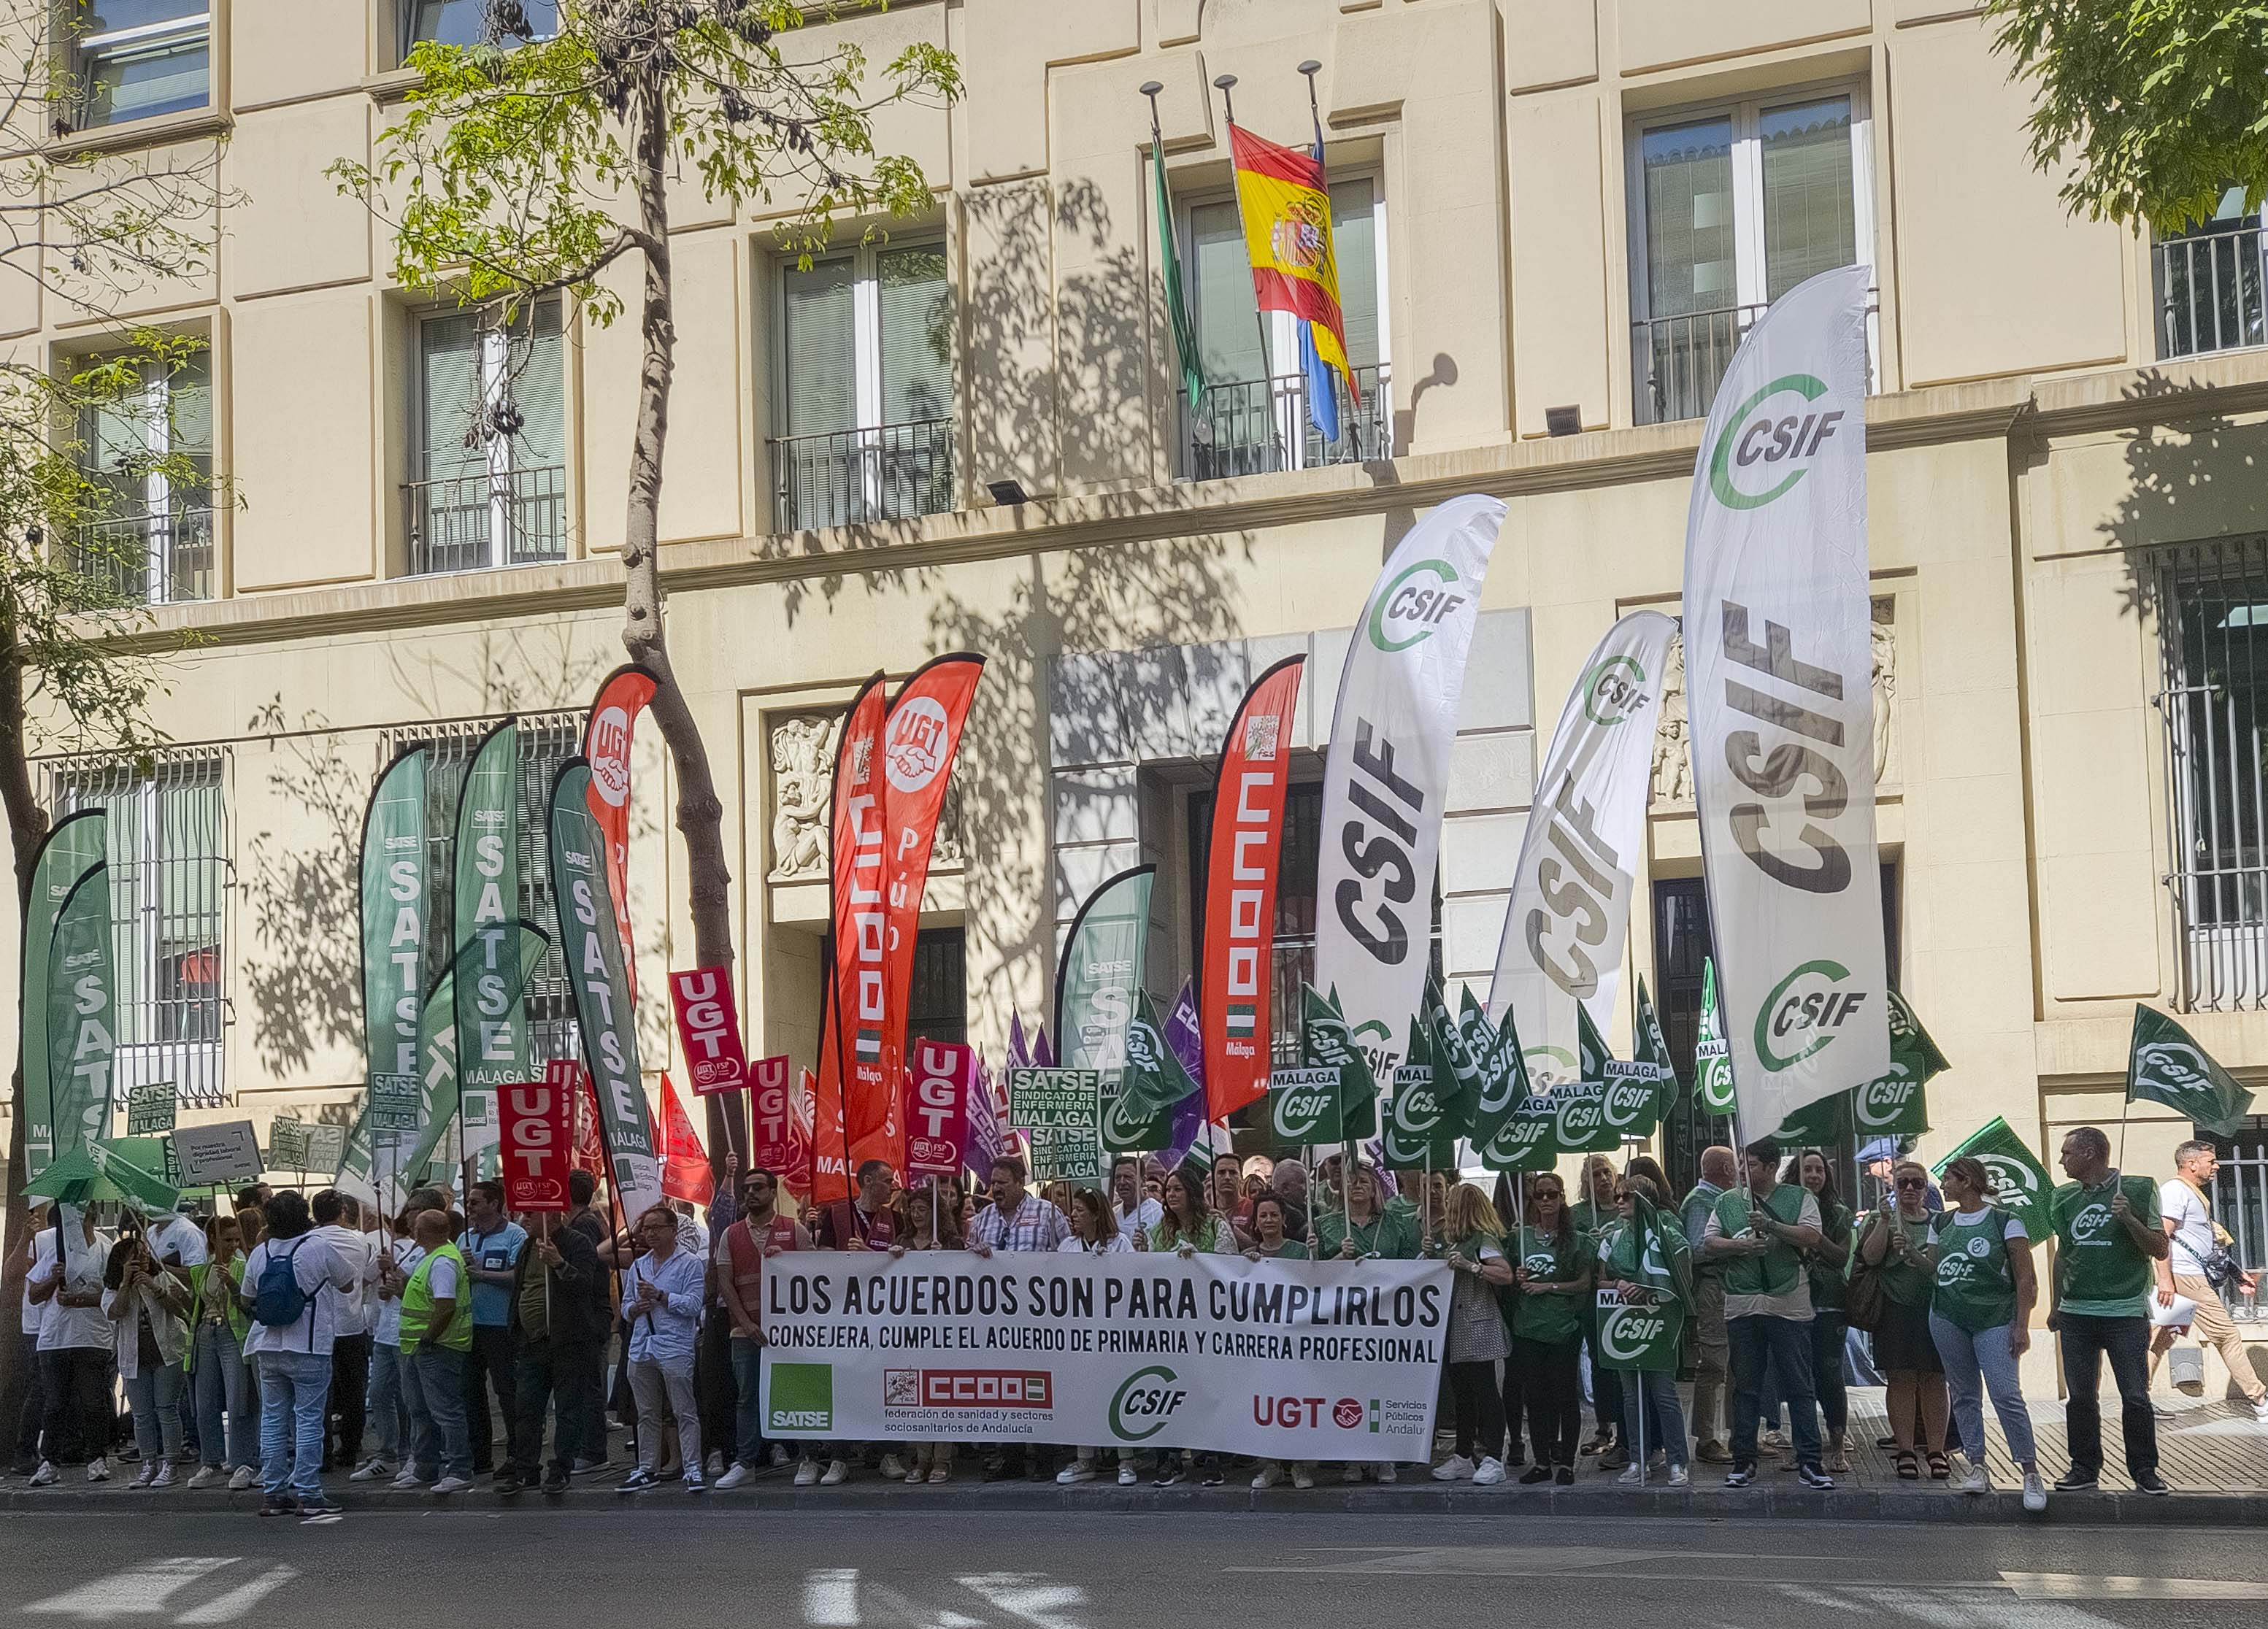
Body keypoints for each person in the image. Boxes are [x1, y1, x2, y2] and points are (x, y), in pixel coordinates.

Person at [1705, 1137, 1832, 1490]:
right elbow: (1710, 1242)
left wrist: (1773, 1226)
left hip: (1788, 1303)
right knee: (1746, 1387)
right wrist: (1740, 1245)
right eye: (1742, 1165)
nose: (1742, 1171)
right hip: (1743, 1305)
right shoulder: (1727, 1201)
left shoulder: (1799, 1198)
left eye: (1750, 1165)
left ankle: (1810, 1461)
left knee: (1799, 1385)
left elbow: (1811, 1236)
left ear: (1772, 1167)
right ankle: (1744, 1460)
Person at [2051, 1125, 2170, 1494]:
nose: (2061, 1160)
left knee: (2135, 1395)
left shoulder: (2138, 1188)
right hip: (2076, 1312)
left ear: (2089, 1154)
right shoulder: (2063, 1197)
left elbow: (2160, 1248)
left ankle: (2144, 1470)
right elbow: (2063, 1253)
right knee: (2081, 1396)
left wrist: (2129, 1219)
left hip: (2125, 1312)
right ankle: (2084, 1467)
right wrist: (2056, 1304)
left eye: (2067, 1153)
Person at [1929, 1155, 2046, 1509]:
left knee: (2006, 1394)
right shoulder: (1941, 1221)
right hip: (1948, 1315)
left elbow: (2024, 1276)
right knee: (1964, 1394)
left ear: (1967, 1181)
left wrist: (2022, 1324)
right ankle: (1977, 1464)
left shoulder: (2005, 1221)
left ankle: (2030, 1471)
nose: (1943, 1185)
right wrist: (1907, 1252)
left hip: (1995, 1317)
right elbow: (1932, 1269)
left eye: (1948, 1178)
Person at [239, 1189, 360, 1516]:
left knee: (273, 1418)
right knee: (308, 1419)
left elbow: (247, 1296)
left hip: (268, 1345)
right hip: (309, 1344)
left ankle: (274, 1493)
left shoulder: (260, 1252)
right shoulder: (318, 1247)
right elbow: (348, 1283)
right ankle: (308, 1492)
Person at [2150, 1138, 2268, 1417]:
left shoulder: (2190, 1193)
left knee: (2163, 1337)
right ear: (2191, 1164)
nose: (2216, 1166)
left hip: (2184, 1275)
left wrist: (2236, 1275)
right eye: (2211, 1161)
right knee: (2227, 1334)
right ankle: (2260, 1399)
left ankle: (2138, 1401)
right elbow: (2161, 1237)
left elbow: (2204, 1242)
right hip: (2185, 1276)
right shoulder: (2175, 1191)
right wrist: (2165, 1280)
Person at [716, 1167, 812, 1490]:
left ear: (773, 1192)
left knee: (798, 1394)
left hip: (789, 1333)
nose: (751, 1193)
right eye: (746, 1188)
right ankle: (746, 1462)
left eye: (758, 1187)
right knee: (747, 1397)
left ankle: (807, 1459)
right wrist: (745, 1323)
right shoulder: (730, 1235)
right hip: (745, 1332)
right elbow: (725, 1284)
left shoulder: (794, 1230)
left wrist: (788, 1260)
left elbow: (814, 1276)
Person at [1598, 1173, 1691, 1487]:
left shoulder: (1668, 1230)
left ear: (1644, 1200)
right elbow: (1599, 1279)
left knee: (1664, 1394)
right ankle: (1638, 1460)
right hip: (1623, 1320)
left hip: (1659, 1319)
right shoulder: (1612, 1234)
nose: (1619, 1202)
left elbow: (1681, 1275)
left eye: (1627, 1196)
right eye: (1618, 1196)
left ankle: (1678, 1461)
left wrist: (1649, 1285)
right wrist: (1619, 1283)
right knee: (1631, 1396)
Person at [1858, 1159, 1949, 1479]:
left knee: (1935, 1379)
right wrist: (1885, 1222)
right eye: (1903, 1183)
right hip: (1895, 1308)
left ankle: (1937, 1450)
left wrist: (1913, 1252)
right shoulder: (1879, 1218)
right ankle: (1906, 1449)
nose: (1910, 1188)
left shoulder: (1941, 1222)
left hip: (1935, 1309)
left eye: (1917, 1183)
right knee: (1901, 1379)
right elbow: (1869, 1258)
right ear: (1893, 1187)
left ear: (1926, 1189)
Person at [506, 1207, 607, 1495]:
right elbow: (522, 1289)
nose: (524, 1220)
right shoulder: (527, 1246)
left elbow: (585, 1285)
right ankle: (526, 1471)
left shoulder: (577, 1243)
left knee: (567, 1409)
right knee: (527, 1409)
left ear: (552, 1217)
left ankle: (561, 1469)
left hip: (569, 1341)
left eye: (530, 1215)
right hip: (533, 1342)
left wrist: (560, 1264)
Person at [1510, 1171, 1592, 1486]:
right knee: (1536, 1397)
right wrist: (1519, 1276)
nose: (1546, 1200)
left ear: (1562, 1197)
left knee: (1565, 1397)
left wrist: (1550, 1287)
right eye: (1540, 1195)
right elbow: (1510, 1277)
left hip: (1563, 1328)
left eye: (1552, 1194)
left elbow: (1584, 1283)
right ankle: (1541, 1460)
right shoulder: (1520, 1238)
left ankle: (1567, 1463)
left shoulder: (1577, 1240)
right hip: (1529, 1328)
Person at [1429, 1183, 1514, 1486]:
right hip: (1454, 1327)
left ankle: (1494, 1456)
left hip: (1479, 1324)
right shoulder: (1450, 1240)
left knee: (1487, 1392)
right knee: (1463, 1396)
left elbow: (1505, 1275)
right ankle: (1463, 1456)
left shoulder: (1483, 1240)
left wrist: (1472, 1267)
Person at [619, 1203, 706, 1493]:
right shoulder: (639, 1265)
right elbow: (625, 1306)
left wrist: (661, 1296)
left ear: (673, 1230)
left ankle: (693, 1467)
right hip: (642, 1345)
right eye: (646, 1229)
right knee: (647, 1412)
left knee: (684, 1410)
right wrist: (634, 1309)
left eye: (657, 1228)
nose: (650, 1234)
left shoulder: (690, 1263)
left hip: (675, 1345)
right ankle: (647, 1467)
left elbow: (694, 1304)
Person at [1056, 1187, 1137, 1489]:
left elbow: (1132, 1282)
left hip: (1113, 1334)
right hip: (1078, 1335)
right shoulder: (1067, 1246)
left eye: (1079, 1210)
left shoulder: (1120, 1244)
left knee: (1117, 1393)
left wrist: (1110, 1268)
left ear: (1095, 1213)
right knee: (1083, 1395)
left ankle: (1125, 1460)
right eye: (1073, 1209)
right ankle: (1085, 1458)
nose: (1073, 1215)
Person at [29, 1205, 114, 1485]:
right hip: (55, 1338)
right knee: (55, 1404)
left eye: (81, 1218)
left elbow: (110, 1294)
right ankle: (49, 1462)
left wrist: (78, 1300)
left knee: (93, 1403)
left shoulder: (105, 1247)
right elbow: (34, 1295)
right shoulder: (55, 1250)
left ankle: (97, 1458)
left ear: (92, 1218)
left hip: (92, 1337)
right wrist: (54, 1279)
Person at [104, 1214, 191, 1487]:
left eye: (143, 1256)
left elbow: (182, 1310)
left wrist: (153, 1286)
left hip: (167, 1353)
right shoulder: (114, 1287)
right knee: (141, 1414)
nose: (140, 1262)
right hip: (134, 1358)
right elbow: (114, 1313)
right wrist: (126, 1284)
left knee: (166, 1408)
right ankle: (148, 1463)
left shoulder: (162, 1278)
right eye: (133, 1259)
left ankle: (171, 1464)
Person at [395, 1207, 474, 1496]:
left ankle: (459, 1469)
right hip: (422, 1348)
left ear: (420, 1233)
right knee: (420, 1410)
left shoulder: (442, 1262)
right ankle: (425, 1467)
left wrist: (429, 1338)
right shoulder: (436, 1258)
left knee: (445, 1411)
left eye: (416, 1227)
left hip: (438, 1348)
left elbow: (446, 1306)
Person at [456, 1179, 526, 1487]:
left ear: (494, 1204)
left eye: (474, 1202)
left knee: (507, 1392)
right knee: (471, 1393)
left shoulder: (516, 1235)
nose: (469, 1208)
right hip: (470, 1325)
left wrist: (481, 1274)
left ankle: (517, 1454)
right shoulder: (464, 1238)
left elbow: (518, 1276)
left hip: (501, 1325)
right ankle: (479, 1455)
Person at [895, 1182, 961, 1485]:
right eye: (913, 1209)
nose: (917, 1214)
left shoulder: (951, 1242)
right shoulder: (904, 1241)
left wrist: (946, 1260)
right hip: (910, 1331)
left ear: (937, 1213)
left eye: (923, 1209)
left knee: (942, 1395)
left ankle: (943, 1459)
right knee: (915, 1396)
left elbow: (963, 1282)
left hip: (943, 1332)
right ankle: (921, 1459)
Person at [185, 1214, 256, 1490]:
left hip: (231, 1335)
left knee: (239, 1401)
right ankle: (210, 1461)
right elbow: (194, 1305)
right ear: (213, 1240)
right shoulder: (201, 1271)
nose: (233, 1245)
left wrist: (233, 1285)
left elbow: (249, 1305)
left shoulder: (242, 1266)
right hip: (205, 1334)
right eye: (227, 1240)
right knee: (205, 1405)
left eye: (236, 1239)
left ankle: (242, 1462)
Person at [1794, 1151, 1855, 1473]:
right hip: (1791, 1300)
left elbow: (1842, 1257)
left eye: (1819, 1170)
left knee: (1830, 1374)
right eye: (1807, 1169)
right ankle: (1803, 1445)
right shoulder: (1786, 1207)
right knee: (1798, 1377)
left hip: (1829, 1301)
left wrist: (1815, 1238)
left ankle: (1838, 1444)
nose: (1814, 1175)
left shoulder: (1839, 1212)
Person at [355, 1204, 422, 1484]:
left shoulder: (427, 1252)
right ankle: (388, 1454)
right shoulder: (391, 1246)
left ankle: (413, 1455)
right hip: (385, 1330)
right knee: (380, 1393)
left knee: (411, 1399)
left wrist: (393, 1272)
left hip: (408, 1333)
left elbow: (420, 1290)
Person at [1680, 1146, 1737, 1465]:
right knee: (1714, 1364)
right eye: (1736, 1165)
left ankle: (1735, 1433)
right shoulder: (1702, 1201)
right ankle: (1706, 1438)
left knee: (1734, 1364)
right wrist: (1739, 1247)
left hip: (1727, 1287)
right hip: (1712, 1286)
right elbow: (1699, 1248)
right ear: (1727, 1169)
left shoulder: (1719, 1199)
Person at [309, 1191, 372, 1477]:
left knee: (320, 1394)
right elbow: (368, 1275)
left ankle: (322, 1451)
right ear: (343, 1212)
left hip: (319, 1327)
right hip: (352, 1323)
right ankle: (351, 1447)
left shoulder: (309, 1242)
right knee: (354, 1391)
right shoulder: (360, 1240)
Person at [1569, 1153, 1625, 1468]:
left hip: (1620, 1294)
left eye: (1607, 1172)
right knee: (1600, 1361)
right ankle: (1603, 1427)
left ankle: (1626, 1427)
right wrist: (1582, 1243)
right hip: (1590, 1297)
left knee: (1621, 1361)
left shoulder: (1623, 1209)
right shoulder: (1577, 1215)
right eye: (1595, 1175)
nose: (1603, 1179)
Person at [9, 1202, 52, 1476]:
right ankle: (25, 1451)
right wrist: (27, 1237)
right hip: (37, 1326)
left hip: (63, 1325)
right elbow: (12, 1275)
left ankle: (57, 1447)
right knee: (39, 1389)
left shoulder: (60, 1237)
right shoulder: (36, 1241)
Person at [1313, 1160, 1420, 1263]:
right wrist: (1341, 1257)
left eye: (1364, 1182)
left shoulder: (1395, 1222)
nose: (1358, 1186)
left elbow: (1407, 1264)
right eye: (1351, 1182)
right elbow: (1321, 1272)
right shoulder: (1324, 1225)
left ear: (1373, 1190)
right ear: (1343, 1190)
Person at [1110, 1156, 1163, 1244]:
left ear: (1143, 1180)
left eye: (1128, 1177)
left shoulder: (1159, 1213)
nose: (1122, 1182)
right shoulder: (1112, 1215)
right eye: (1118, 1177)